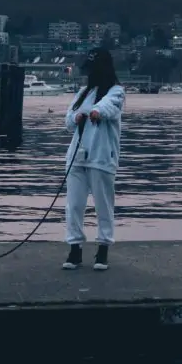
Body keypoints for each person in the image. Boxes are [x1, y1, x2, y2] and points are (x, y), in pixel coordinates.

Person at [62, 47, 125, 271]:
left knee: (103, 205)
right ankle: (75, 248)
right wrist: (76, 116)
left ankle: (103, 248)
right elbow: (68, 121)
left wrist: (97, 111)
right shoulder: (82, 93)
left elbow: (109, 107)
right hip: (76, 158)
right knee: (74, 205)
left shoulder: (116, 91)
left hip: (101, 158)